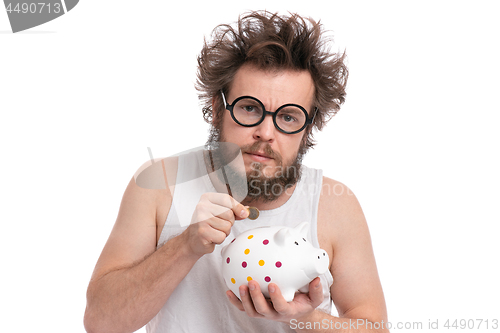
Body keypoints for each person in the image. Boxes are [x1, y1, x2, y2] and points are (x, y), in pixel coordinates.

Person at [84, 11, 389, 333]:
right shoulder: (160, 184)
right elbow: (102, 323)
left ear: (308, 127)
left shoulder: (334, 204)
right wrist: (185, 245)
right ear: (218, 109)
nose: (265, 132)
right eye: (249, 108)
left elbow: (374, 328)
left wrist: (302, 317)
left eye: (288, 117)